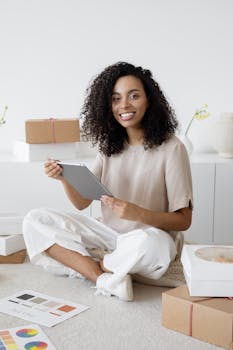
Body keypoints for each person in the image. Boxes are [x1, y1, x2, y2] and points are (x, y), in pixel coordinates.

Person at [23, 62, 193, 302]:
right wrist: (64, 179)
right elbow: (82, 203)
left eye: (133, 96)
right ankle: (104, 277)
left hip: (149, 236)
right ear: (108, 105)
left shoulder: (173, 148)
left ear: (149, 101)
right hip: (108, 234)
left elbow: (184, 220)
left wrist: (138, 213)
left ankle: (96, 266)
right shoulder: (109, 147)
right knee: (35, 220)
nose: (124, 105)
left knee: (153, 245)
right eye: (116, 98)